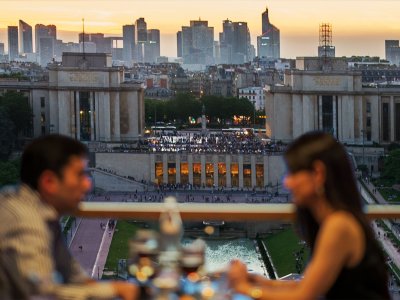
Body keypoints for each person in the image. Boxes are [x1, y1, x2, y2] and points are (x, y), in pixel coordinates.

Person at [228, 132, 390, 300]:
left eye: (292, 173)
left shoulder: (339, 226)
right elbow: (309, 285)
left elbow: (303, 295)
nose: (287, 182)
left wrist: (244, 288)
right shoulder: (337, 219)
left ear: (318, 173)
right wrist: (259, 282)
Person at [0, 135, 138, 300]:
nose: (88, 184)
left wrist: (115, 288)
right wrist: (115, 289)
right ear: (49, 182)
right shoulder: (26, 223)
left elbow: (74, 277)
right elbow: (42, 294)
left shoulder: (42, 213)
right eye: (80, 175)